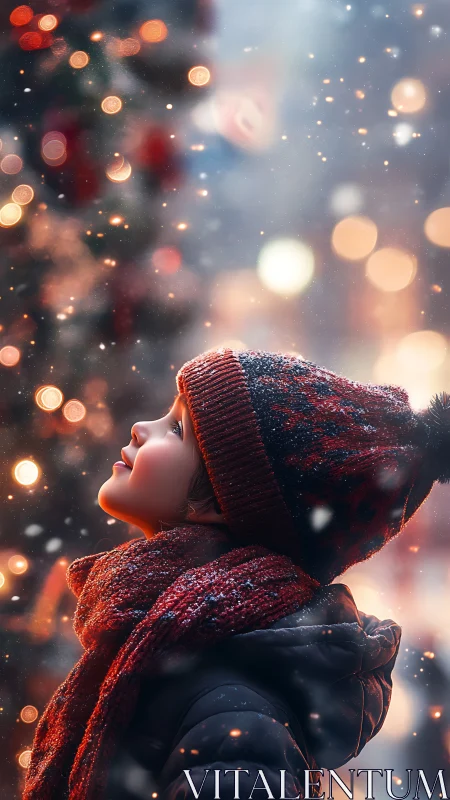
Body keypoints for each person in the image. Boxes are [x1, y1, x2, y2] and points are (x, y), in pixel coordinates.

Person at [23, 347, 450, 800]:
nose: (141, 428)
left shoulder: (236, 715)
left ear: (221, 502)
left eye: (176, 429)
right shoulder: (162, 642)